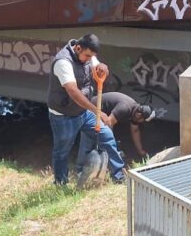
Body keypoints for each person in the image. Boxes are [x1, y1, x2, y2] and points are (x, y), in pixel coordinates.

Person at [47, 34, 126, 185]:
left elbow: (97, 66)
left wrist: (102, 68)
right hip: (63, 116)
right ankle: (60, 183)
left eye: (92, 56)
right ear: (78, 48)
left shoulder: (88, 56)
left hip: (83, 112)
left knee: (107, 136)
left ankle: (119, 176)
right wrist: (97, 111)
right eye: (87, 56)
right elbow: (73, 92)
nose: (89, 59)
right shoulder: (63, 62)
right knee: (62, 151)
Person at [80, 92, 156, 162]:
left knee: (107, 141)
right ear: (139, 115)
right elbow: (108, 125)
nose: (142, 122)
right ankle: (81, 166)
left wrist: (141, 151)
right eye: (143, 120)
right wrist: (114, 148)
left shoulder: (135, 112)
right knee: (88, 141)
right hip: (92, 109)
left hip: (105, 116)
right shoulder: (125, 108)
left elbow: (135, 131)